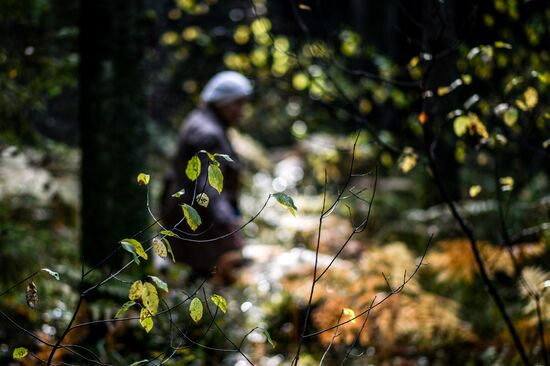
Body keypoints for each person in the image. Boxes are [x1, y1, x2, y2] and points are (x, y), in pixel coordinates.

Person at [160, 71, 252, 277]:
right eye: (238, 104)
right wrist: (229, 224)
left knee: (197, 279)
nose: (242, 111)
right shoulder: (208, 133)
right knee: (207, 279)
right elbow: (207, 186)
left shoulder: (199, 120)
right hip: (201, 223)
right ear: (222, 102)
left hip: (189, 216)